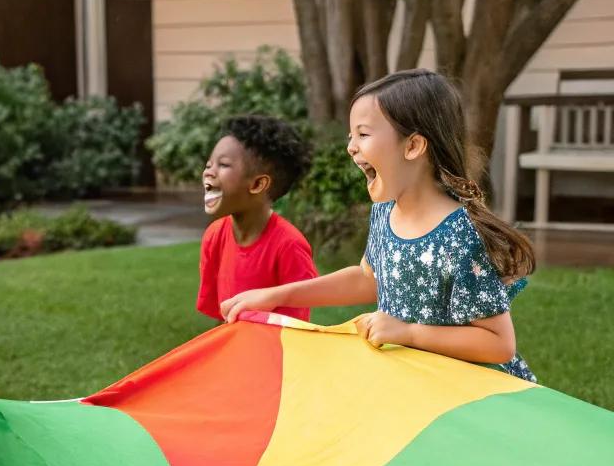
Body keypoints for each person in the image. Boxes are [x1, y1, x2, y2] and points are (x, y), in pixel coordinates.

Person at [222, 70, 536, 380]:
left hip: (467, 392)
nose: (351, 147)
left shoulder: (460, 236)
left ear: (413, 146)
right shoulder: (385, 212)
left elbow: (499, 344)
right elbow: (367, 278)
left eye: (363, 134)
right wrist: (277, 296)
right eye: (351, 136)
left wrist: (410, 333)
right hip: (415, 379)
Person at [197, 115, 318, 322]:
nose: (209, 172)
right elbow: (222, 318)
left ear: (257, 185)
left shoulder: (289, 246)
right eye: (209, 165)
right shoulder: (214, 236)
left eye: (223, 165)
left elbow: (294, 327)